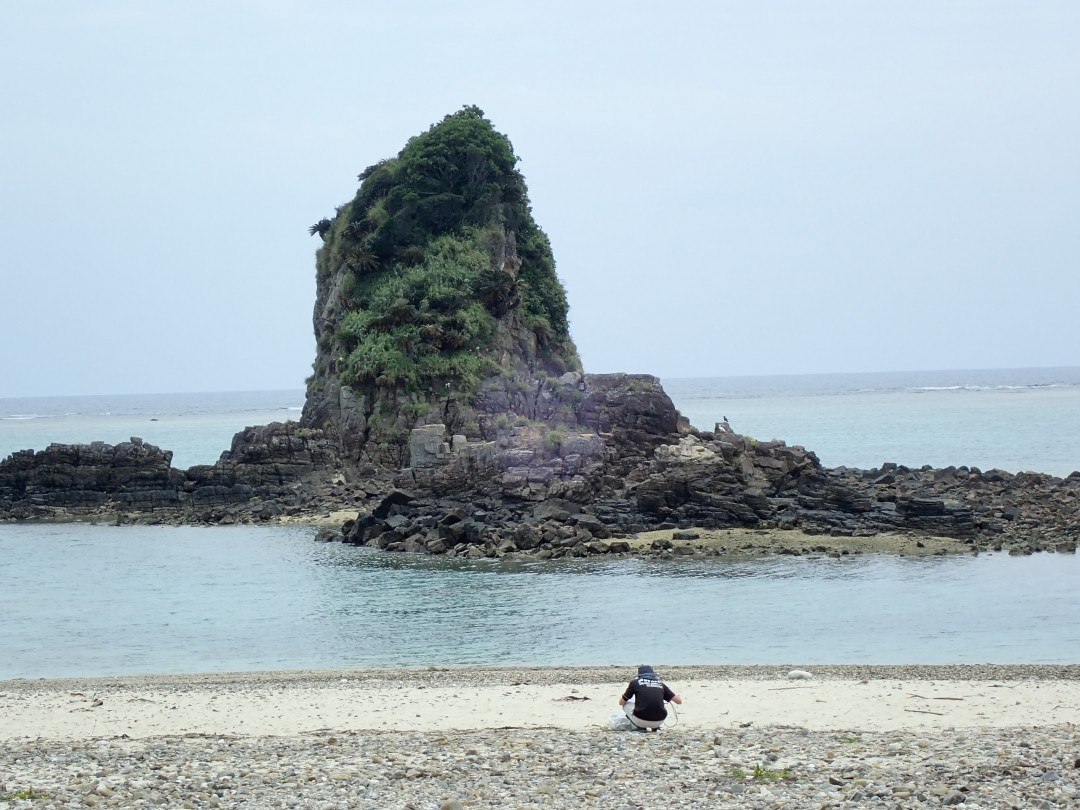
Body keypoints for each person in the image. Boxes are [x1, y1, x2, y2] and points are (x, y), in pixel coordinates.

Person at [619, 665, 682, 731]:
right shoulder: (661, 684)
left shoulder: (634, 683)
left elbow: (621, 702)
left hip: (640, 719)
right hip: (659, 721)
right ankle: (655, 727)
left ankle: (640, 726)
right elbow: (679, 701)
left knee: (626, 704)